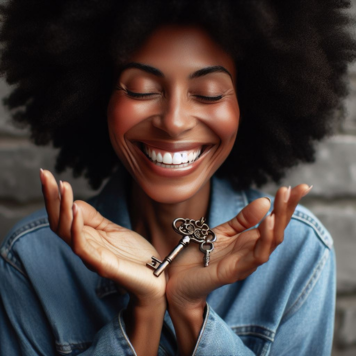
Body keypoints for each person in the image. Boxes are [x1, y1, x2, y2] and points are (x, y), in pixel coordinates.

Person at [0, 1, 355, 355]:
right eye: (140, 89)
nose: (174, 121)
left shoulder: (297, 254)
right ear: (95, 96)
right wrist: (144, 314)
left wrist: (189, 312)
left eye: (209, 94)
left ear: (246, 104)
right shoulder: (32, 259)